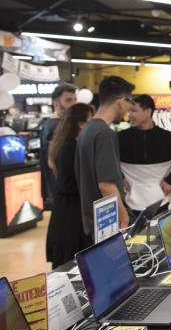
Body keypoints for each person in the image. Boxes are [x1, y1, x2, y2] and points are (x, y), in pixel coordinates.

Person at [76, 76, 134, 237]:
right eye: (130, 102)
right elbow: (106, 185)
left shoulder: (87, 130)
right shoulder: (104, 134)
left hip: (93, 221)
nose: (129, 109)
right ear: (121, 101)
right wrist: (124, 217)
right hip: (108, 222)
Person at [119, 95, 171, 212]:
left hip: (161, 206)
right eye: (129, 111)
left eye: (134, 111)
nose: (129, 115)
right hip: (129, 208)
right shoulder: (120, 138)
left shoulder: (168, 138)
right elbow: (108, 162)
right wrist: (119, 177)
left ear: (148, 111)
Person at [45, 103, 94, 268]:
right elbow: (68, 184)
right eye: (91, 120)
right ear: (81, 124)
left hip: (71, 212)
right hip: (70, 216)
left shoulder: (70, 145)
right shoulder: (69, 148)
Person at [40, 84, 77, 207]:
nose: (73, 103)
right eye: (68, 100)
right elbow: (52, 161)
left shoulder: (63, 123)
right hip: (62, 188)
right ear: (56, 104)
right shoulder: (55, 125)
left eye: (74, 99)